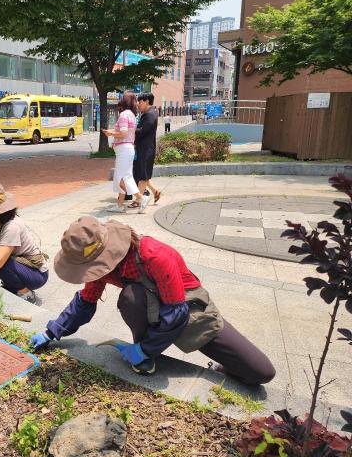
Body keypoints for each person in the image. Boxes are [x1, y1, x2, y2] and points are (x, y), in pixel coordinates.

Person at [29, 217, 276, 386]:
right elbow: (86, 301)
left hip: (187, 309)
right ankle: (147, 357)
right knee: (130, 298)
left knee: (261, 372)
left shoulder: (154, 255)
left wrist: (144, 348)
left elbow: (177, 314)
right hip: (151, 308)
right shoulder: (103, 269)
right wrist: (52, 332)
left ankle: (149, 352)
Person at [101, 92, 142, 213]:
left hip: (123, 149)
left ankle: (140, 198)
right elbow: (125, 131)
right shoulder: (131, 115)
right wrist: (112, 131)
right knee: (122, 176)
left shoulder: (124, 115)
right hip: (127, 149)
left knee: (123, 177)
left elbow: (123, 133)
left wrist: (111, 133)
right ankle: (119, 204)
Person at [133, 93, 161, 210]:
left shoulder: (150, 115)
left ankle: (139, 201)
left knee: (143, 176)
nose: (138, 104)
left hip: (146, 149)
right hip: (144, 148)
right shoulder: (148, 114)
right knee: (142, 174)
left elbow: (142, 131)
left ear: (147, 101)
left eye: (140, 102)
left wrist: (131, 129)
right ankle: (155, 192)